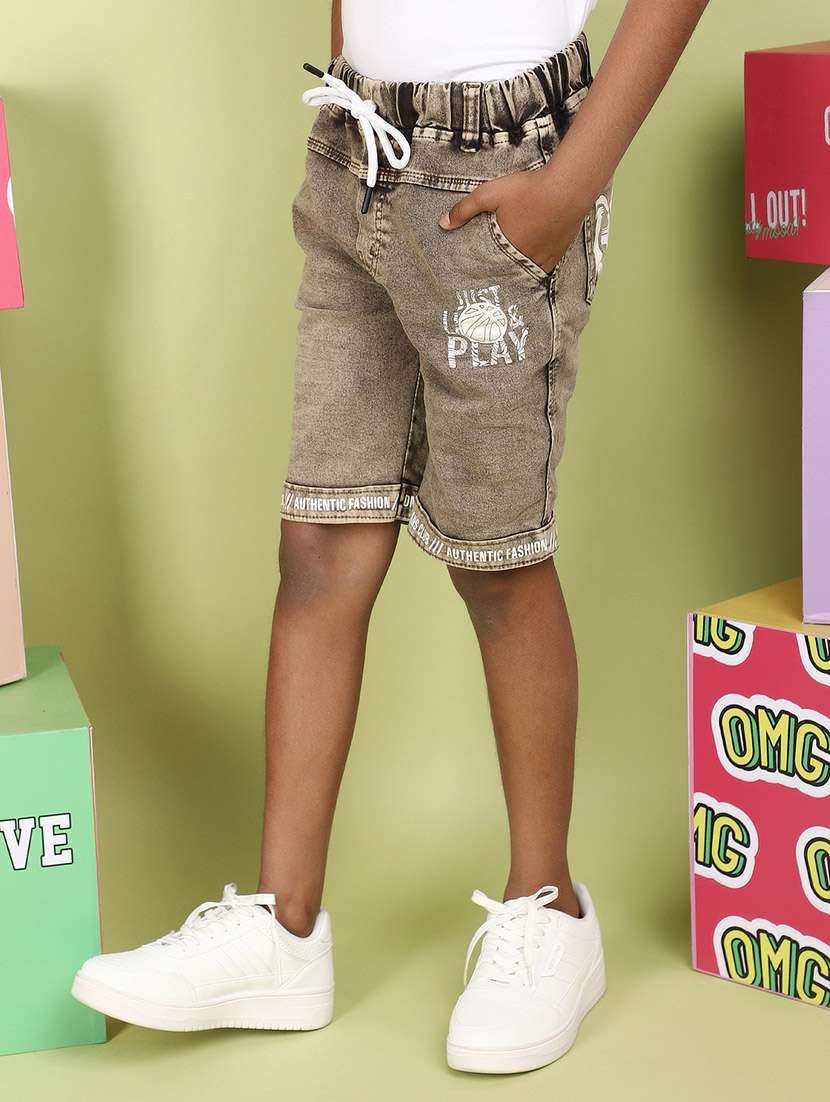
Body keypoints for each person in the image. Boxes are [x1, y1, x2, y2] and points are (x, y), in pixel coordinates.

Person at [72, 0, 710, 1074]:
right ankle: (282, 928)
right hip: (356, 148)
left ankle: (549, 907)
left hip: (501, 166)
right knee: (319, 543)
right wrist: (357, 79)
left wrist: (570, 183)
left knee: (497, 560)